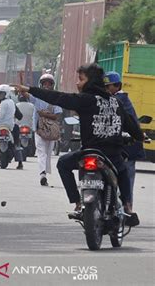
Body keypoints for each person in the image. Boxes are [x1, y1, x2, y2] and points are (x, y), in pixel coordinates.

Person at [13, 63, 143, 227]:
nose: (77, 83)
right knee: (123, 172)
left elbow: (57, 97)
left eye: (81, 79)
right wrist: (139, 137)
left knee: (63, 164)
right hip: (112, 155)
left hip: (90, 153)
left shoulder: (84, 100)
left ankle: (78, 203)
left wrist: (30, 89)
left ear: (90, 82)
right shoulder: (116, 103)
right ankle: (128, 209)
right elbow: (132, 127)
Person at [104, 71, 145, 212]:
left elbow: (129, 124)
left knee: (126, 178)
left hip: (127, 147)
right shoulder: (110, 100)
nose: (106, 89)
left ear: (117, 86)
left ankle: (128, 208)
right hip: (115, 146)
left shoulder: (121, 101)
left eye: (108, 86)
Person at [29, 74, 62, 186]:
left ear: (52, 85)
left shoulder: (55, 98)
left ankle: (43, 173)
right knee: (43, 152)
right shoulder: (37, 97)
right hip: (40, 130)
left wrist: (44, 114)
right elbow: (26, 95)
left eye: (49, 83)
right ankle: (43, 173)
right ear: (41, 84)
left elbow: (57, 115)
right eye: (45, 83)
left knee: (45, 153)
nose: (47, 85)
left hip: (47, 130)